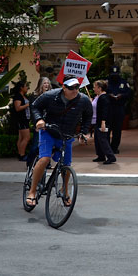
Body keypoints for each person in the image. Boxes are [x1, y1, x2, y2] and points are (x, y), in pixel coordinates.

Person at [25, 76, 92, 208]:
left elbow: (88, 115)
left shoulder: (83, 100)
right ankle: (32, 191)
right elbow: (35, 106)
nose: (75, 90)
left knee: (66, 165)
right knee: (44, 159)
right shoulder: (51, 96)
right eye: (71, 88)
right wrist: (39, 120)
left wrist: (84, 131)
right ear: (64, 87)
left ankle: (65, 190)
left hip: (66, 135)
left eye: (77, 87)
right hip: (48, 131)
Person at [106, 66, 131, 154]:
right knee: (107, 130)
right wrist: (110, 95)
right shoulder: (106, 82)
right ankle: (107, 147)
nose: (114, 77)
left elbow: (128, 93)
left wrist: (121, 96)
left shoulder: (123, 82)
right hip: (109, 108)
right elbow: (103, 93)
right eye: (113, 75)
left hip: (119, 108)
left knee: (117, 130)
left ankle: (114, 147)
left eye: (116, 75)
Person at [91, 80, 115, 164]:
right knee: (98, 139)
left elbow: (105, 111)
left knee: (103, 139)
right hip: (97, 121)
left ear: (100, 88)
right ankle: (101, 156)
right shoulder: (98, 97)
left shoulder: (104, 98)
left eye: (95, 87)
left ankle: (110, 156)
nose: (93, 89)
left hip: (102, 122)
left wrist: (103, 122)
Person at [11, 79, 32, 161]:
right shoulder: (18, 96)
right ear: (21, 88)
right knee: (27, 137)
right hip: (22, 119)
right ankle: (22, 155)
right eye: (26, 86)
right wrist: (27, 105)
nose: (27, 88)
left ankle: (20, 153)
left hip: (25, 118)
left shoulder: (23, 96)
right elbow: (17, 108)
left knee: (21, 137)